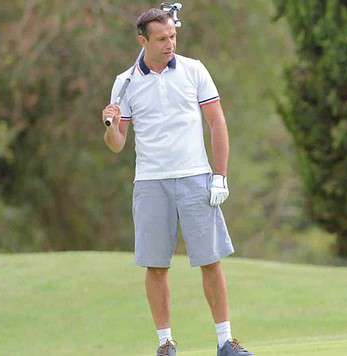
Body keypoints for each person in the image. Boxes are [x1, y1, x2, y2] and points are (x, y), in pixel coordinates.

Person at [100, 8, 252, 356]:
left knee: (210, 260)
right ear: (143, 41)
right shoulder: (125, 82)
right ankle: (165, 344)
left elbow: (217, 123)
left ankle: (225, 341)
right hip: (150, 182)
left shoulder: (193, 70)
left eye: (172, 37)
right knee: (156, 265)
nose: (170, 44)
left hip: (196, 178)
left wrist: (220, 175)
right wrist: (110, 126)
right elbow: (117, 145)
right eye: (161, 39)